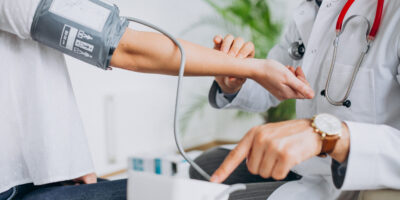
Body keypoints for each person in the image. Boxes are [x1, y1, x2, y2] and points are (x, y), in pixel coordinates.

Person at [0, 0, 313, 199]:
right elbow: (123, 47)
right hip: (12, 181)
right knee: (201, 172)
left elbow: (28, 71)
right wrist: (245, 72)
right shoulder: (313, 12)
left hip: (36, 170)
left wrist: (67, 158)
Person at [191, 0, 400, 200]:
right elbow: (271, 86)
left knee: (214, 196)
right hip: (308, 163)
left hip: (357, 171)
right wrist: (234, 82)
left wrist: (331, 136)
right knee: (203, 167)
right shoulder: (314, 8)